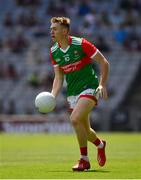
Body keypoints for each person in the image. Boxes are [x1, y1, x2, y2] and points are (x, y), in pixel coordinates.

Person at [50, 17, 110, 171]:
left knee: (74, 119)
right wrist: (52, 96)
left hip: (90, 87)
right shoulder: (54, 51)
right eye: (51, 28)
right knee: (86, 130)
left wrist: (102, 84)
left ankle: (84, 160)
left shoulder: (81, 44)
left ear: (64, 31)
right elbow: (58, 77)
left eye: (55, 28)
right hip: (72, 93)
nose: (51, 31)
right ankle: (100, 144)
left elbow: (104, 62)